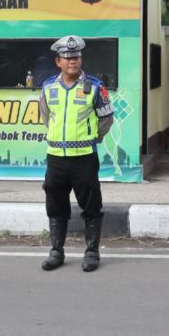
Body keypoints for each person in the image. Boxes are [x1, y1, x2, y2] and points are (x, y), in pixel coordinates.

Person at [38, 35, 114, 272]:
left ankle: (92, 252)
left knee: (91, 205)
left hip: (84, 158)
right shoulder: (48, 87)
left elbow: (106, 119)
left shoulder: (95, 87)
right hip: (56, 158)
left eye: (76, 57)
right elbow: (45, 116)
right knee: (55, 204)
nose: (73, 61)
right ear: (57, 61)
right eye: (67, 57)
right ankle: (56, 251)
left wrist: (93, 138)